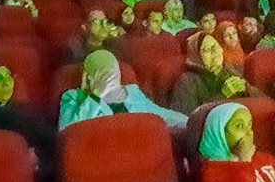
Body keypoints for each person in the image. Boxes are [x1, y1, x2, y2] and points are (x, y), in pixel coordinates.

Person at [58, 50, 187, 131]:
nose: (111, 77)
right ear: (90, 76)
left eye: (113, 72)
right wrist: (95, 96)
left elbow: (160, 114)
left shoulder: (132, 93)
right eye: (104, 74)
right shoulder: (73, 97)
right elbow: (67, 131)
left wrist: (190, 122)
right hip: (100, 154)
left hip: (136, 148)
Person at [170, 33, 256, 116]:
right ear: (196, 56)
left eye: (216, 45)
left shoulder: (229, 71)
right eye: (207, 49)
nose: (215, 50)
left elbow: (254, 100)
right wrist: (223, 95)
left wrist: (246, 89)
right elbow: (186, 119)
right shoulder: (187, 81)